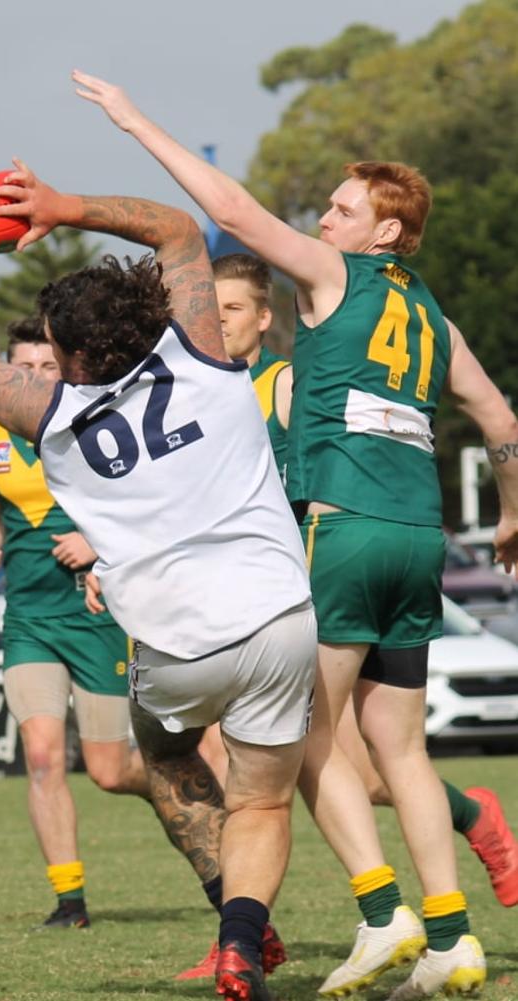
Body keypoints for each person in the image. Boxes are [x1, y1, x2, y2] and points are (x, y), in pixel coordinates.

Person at [71, 73, 518, 1000]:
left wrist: (133, 118)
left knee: (294, 726)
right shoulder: (431, 315)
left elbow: (227, 209)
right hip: (418, 535)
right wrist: (512, 513)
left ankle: (382, 908)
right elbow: (499, 419)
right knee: (401, 751)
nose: (323, 219)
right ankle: (453, 939)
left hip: (345, 526)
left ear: (384, 232)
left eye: (342, 208)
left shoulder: (336, 274)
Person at [0, 162, 317, 1001]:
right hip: (277, 616)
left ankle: (231, 919)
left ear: (67, 355)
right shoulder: (205, 352)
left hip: (173, 642)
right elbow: (178, 231)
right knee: (262, 803)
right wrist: (64, 207)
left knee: (161, 753)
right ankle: (240, 943)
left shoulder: (51, 417)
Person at [0, 314, 149, 929]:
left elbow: (146, 508)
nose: (36, 377)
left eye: (49, 366)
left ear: (67, 370)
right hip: (29, 622)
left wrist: (93, 541)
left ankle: (184, 786)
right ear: (8, 373)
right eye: (25, 367)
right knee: (43, 756)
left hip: (96, 620)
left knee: (109, 771)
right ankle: (69, 901)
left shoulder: (96, 431)